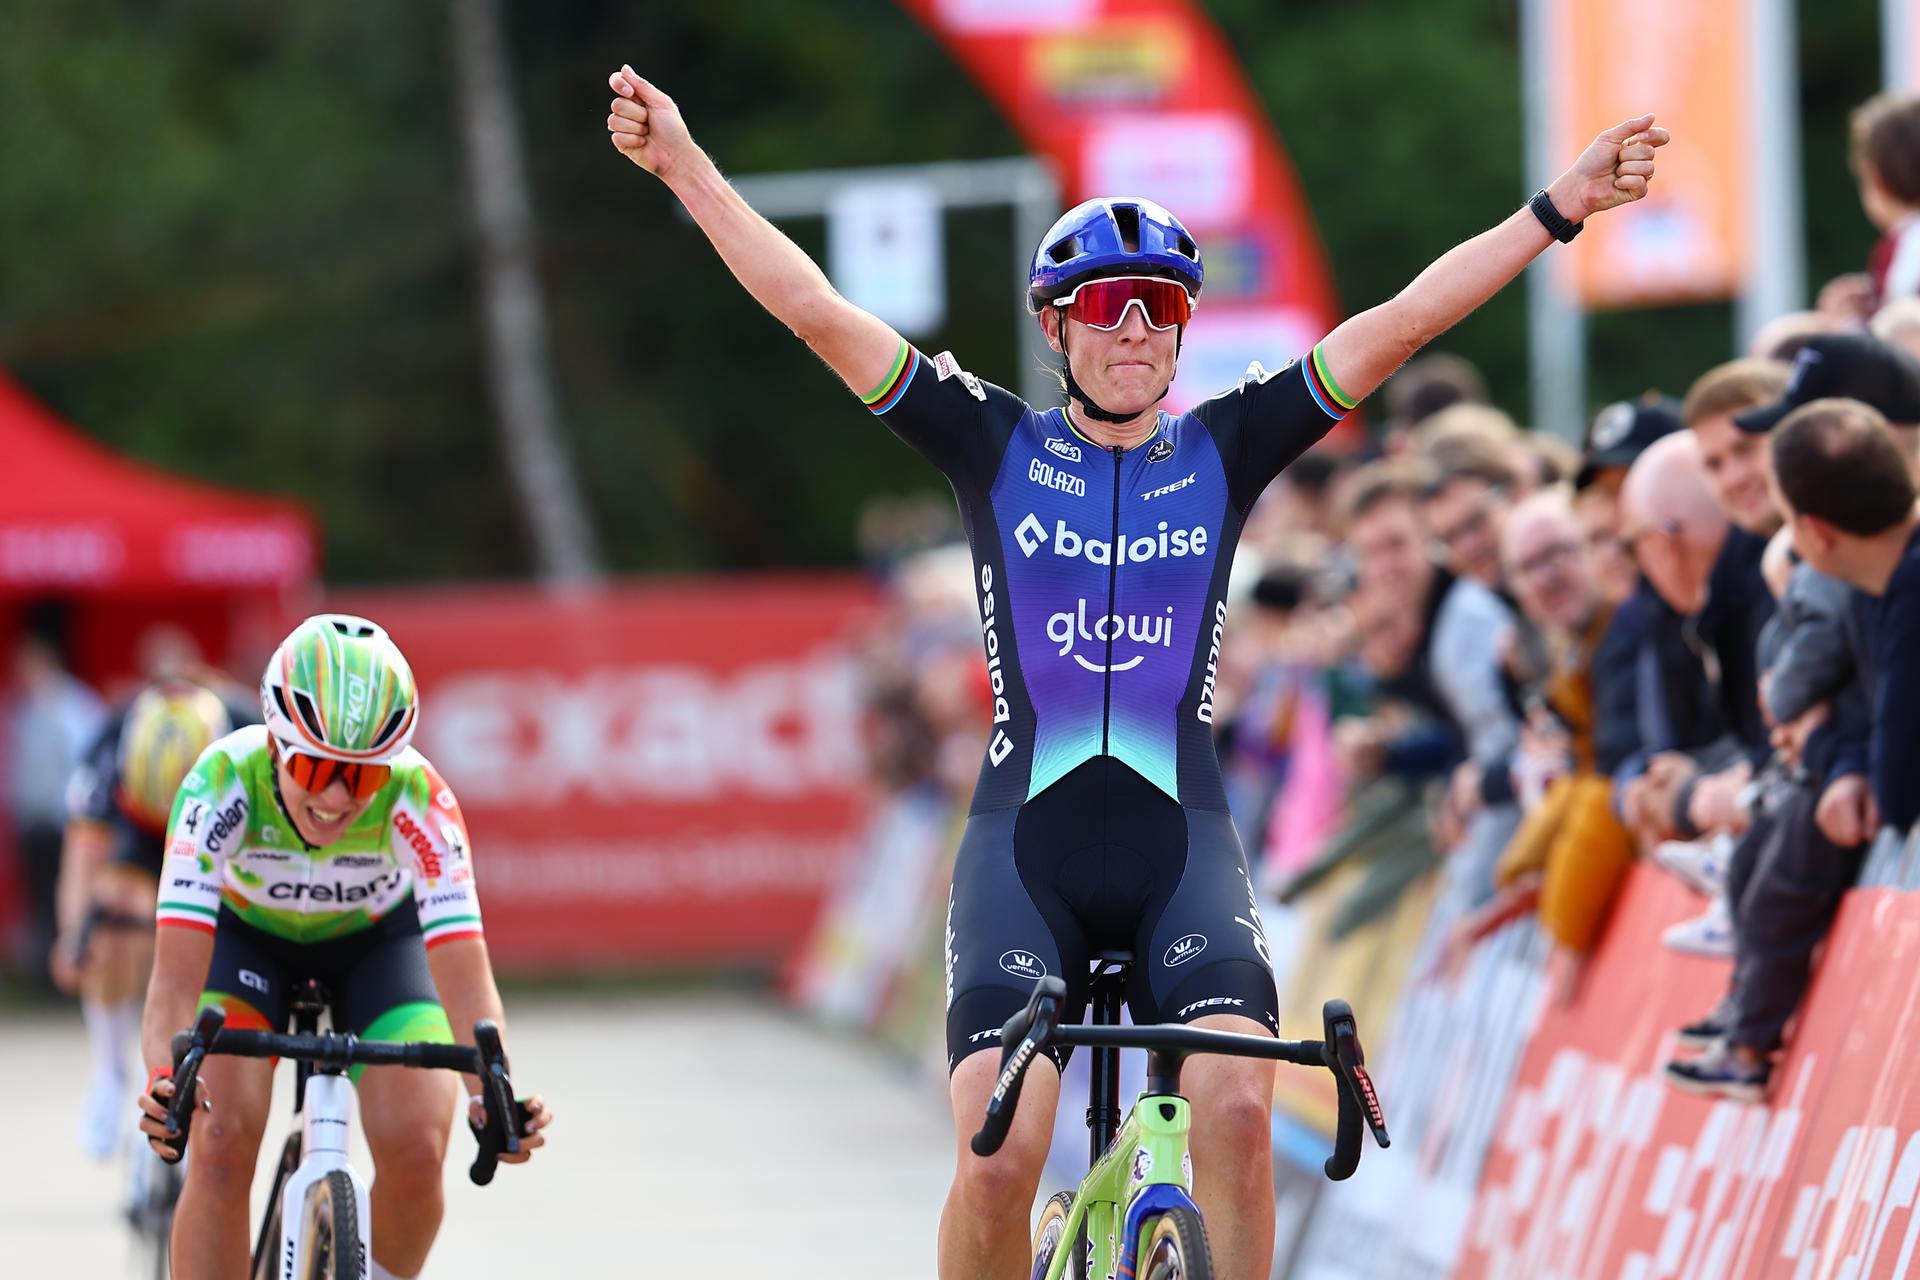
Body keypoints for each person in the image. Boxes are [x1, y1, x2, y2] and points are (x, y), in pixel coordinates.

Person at [606, 61, 1666, 1278]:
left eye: (1158, 307)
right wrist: (686, 164)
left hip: (1183, 841)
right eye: (1104, 304)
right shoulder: (987, 438)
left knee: (1238, 1110)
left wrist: (1558, 206)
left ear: (1184, 328)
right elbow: (815, 311)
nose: (1131, 328)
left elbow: (1406, 323)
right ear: (1054, 325)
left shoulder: (1233, 444)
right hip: (1025, 846)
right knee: (1000, 1162)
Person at [135, 616, 551, 1280]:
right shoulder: (218, 783)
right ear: (274, 742)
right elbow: (172, 989)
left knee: (419, 1148)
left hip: (377, 947)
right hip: (249, 945)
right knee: (215, 1142)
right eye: (313, 767)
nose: (334, 798)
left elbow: (469, 987)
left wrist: (491, 1091)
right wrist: (165, 1080)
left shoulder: (421, 797)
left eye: (361, 779)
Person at [52, 678, 254, 1159]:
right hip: (137, 840)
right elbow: (82, 856)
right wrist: (72, 938)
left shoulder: (250, 734)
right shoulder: (110, 742)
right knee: (113, 915)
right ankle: (111, 1072)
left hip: (222, 827)